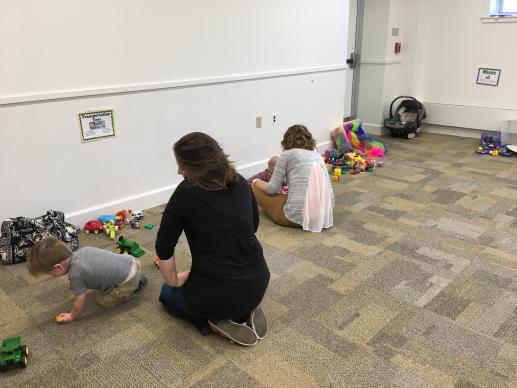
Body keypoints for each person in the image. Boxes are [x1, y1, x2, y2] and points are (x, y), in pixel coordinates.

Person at [155, 132, 270, 346]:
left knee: (166, 294)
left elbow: (163, 247)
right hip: (259, 279)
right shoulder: (241, 182)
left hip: (217, 294)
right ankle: (248, 307)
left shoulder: (185, 193)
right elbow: (253, 227)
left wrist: (174, 281)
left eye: (182, 166)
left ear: (198, 168)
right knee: (234, 289)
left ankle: (213, 320)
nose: (179, 171)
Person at [26, 237, 147, 323]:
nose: (51, 276)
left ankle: (134, 288)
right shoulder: (84, 250)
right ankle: (136, 278)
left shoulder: (75, 276)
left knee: (103, 301)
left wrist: (72, 316)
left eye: (49, 274)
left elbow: (80, 299)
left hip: (127, 280)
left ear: (58, 267)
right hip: (131, 261)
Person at [252, 124, 334, 232]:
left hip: (295, 218)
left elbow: (272, 189)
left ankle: (254, 188)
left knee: (256, 188)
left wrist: (256, 181)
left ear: (287, 140)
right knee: (284, 193)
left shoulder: (287, 154)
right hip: (325, 215)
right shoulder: (317, 155)